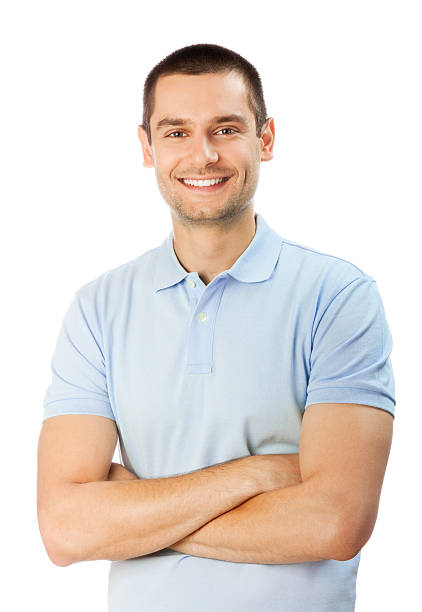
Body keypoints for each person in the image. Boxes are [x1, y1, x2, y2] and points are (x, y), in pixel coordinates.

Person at [37, 43, 395, 612]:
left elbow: (334, 521)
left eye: (225, 129)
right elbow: (65, 530)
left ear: (266, 139)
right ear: (147, 146)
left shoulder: (339, 297)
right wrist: (256, 474)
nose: (202, 155)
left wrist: (132, 516)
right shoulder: (97, 309)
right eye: (176, 132)